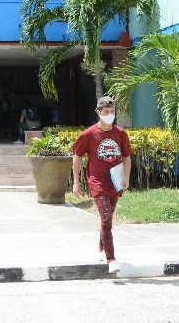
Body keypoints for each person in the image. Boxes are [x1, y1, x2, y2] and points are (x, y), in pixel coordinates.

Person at [72, 96, 132, 273]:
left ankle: (101, 248)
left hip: (115, 181)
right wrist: (76, 182)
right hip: (97, 182)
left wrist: (126, 178)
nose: (110, 115)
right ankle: (111, 258)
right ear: (98, 112)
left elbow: (127, 157)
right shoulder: (88, 134)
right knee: (106, 218)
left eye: (112, 112)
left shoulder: (120, 133)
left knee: (108, 219)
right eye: (106, 112)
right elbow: (76, 157)